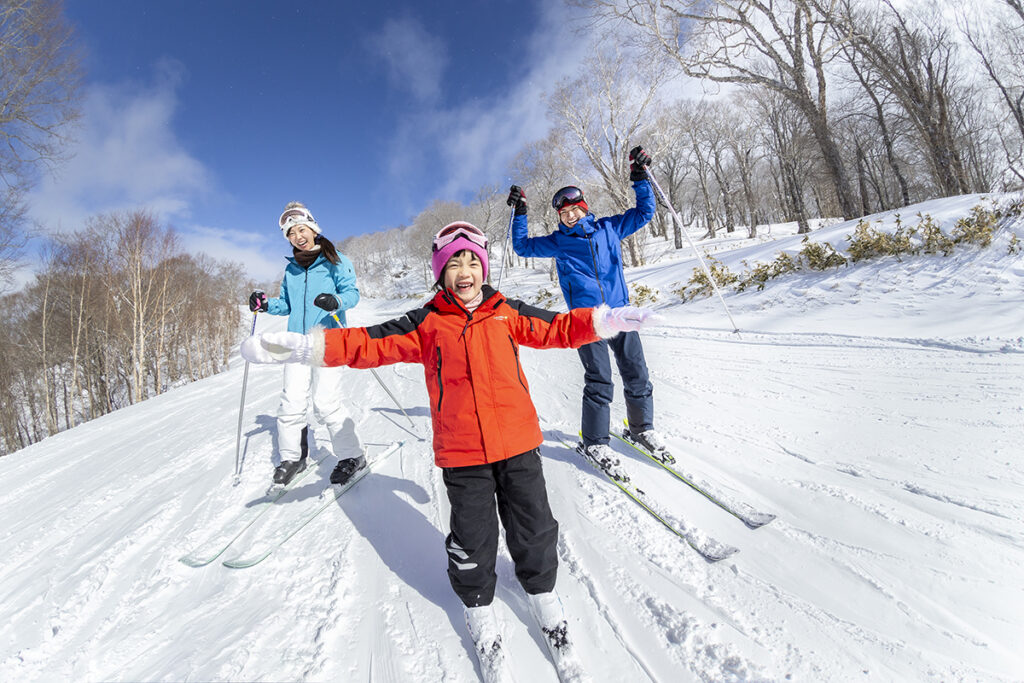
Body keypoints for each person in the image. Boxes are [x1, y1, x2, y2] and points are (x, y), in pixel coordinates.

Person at [240, 221, 658, 680]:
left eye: (471, 261)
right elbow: (368, 343)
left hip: (519, 445)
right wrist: (304, 347)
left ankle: (544, 599)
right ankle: (480, 613)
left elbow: (556, 328)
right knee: (472, 543)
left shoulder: (506, 311)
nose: (464, 270)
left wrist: (602, 321)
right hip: (463, 456)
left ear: (483, 267)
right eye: (453, 262)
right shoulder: (427, 322)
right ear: (440, 271)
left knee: (535, 529)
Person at [508, 145, 672, 473]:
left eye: (574, 209)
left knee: (636, 372)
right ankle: (594, 442)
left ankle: (641, 429)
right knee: (599, 378)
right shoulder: (558, 241)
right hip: (587, 322)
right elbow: (521, 245)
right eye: (563, 213)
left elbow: (644, 213)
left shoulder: (610, 228)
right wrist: (521, 212)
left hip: (621, 312)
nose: (570, 215)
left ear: (584, 208)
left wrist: (639, 176)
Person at [247, 201, 364, 488]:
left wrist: (335, 301)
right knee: (291, 402)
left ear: (313, 229)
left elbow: (352, 293)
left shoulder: (337, 260)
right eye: (291, 233)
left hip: (328, 338)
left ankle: (352, 456)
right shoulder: (291, 270)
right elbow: (286, 304)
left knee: (325, 402)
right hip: (296, 342)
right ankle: (293, 458)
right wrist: (265, 305)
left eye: (301, 229)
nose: (297, 236)